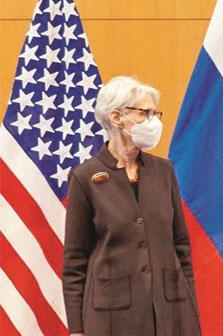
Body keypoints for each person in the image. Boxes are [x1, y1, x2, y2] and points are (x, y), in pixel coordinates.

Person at [63, 76, 201, 336]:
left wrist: (190, 311)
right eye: (145, 113)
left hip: (170, 311)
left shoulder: (164, 171)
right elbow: (75, 261)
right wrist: (76, 329)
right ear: (116, 117)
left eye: (155, 113)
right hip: (112, 317)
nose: (153, 121)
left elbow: (180, 246)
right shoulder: (85, 177)